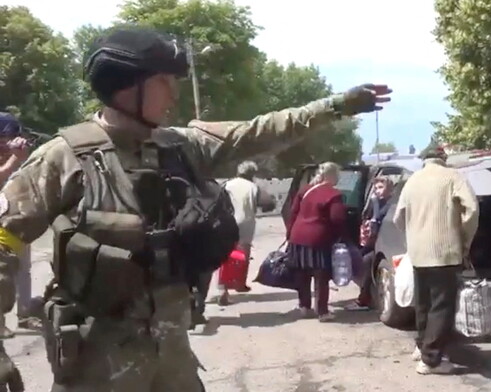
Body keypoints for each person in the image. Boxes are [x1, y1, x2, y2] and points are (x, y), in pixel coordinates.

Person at [0, 26, 391, 391]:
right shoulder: (63, 159)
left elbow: (258, 132)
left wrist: (336, 106)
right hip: (98, 364)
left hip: (172, 358)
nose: (173, 95)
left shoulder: (179, 146)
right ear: (128, 88)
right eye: (164, 83)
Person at [393, 146, 479, 375]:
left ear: (424, 160)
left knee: (423, 304)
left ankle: (422, 346)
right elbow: (471, 210)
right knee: (442, 306)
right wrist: (464, 239)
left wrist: (413, 236)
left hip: (418, 253)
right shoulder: (452, 177)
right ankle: (431, 360)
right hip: (445, 251)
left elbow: (398, 217)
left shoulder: (412, 180)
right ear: (443, 158)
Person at [286, 162, 347, 322]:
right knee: (321, 275)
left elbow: (292, 213)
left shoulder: (305, 190)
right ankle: (322, 311)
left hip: (297, 237)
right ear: (331, 175)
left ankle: (305, 307)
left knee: (303, 274)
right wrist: (339, 238)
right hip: (318, 239)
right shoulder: (333, 194)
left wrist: (289, 235)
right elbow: (337, 218)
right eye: (337, 175)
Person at [211, 161, 276, 305]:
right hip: (246, 223)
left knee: (224, 255)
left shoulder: (227, 185)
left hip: (227, 222)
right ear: (252, 173)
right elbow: (268, 204)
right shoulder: (253, 187)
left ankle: (223, 289)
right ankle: (239, 284)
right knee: (243, 255)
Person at [0, 113, 40, 338]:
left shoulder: (16, 153)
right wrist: (14, 158)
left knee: (23, 268)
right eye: (7, 137)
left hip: (14, 220)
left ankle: (25, 315)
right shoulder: (10, 156)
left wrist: (21, 157)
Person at [346, 176, 393, 311]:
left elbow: (378, 219)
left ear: (389, 188)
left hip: (385, 242)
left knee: (366, 262)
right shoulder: (378, 202)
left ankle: (364, 299)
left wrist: (375, 204)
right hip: (374, 241)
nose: (377, 191)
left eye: (381, 187)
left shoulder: (390, 204)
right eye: (376, 188)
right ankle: (366, 295)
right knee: (359, 259)